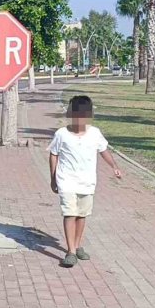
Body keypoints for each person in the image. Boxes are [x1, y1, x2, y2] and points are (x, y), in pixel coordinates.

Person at [48, 95, 123, 267]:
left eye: (84, 115)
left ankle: (78, 244)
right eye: (77, 115)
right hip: (66, 181)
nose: (80, 119)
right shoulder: (61, 134)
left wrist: (114, 166)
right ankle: (71, 251)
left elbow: (103, 151)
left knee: (82, 215)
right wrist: (53, 178)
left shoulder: (95, 133)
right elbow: (53, 154)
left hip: (87, 182)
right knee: (70, 213)